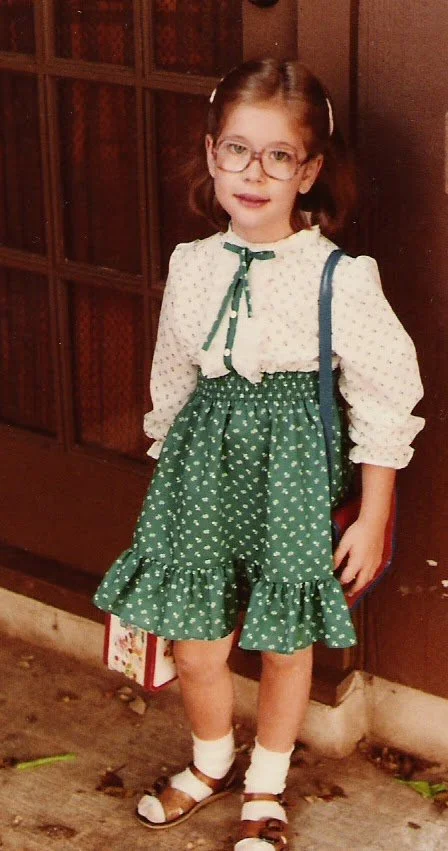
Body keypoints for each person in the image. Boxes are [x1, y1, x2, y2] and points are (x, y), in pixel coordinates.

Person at [94, 58, 424, 851]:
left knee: (284, 645)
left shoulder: (337, 279)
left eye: (278, 156)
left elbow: (384, 394)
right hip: (202, 473)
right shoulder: (191, 265)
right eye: (237, 150)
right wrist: (165, 467)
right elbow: (172, 374)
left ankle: (266, 789)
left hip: (293, 479)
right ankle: (211, 761)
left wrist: (373, 512)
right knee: (197, 644)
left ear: (308, 170)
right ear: (211, 155)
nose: (254, 172)